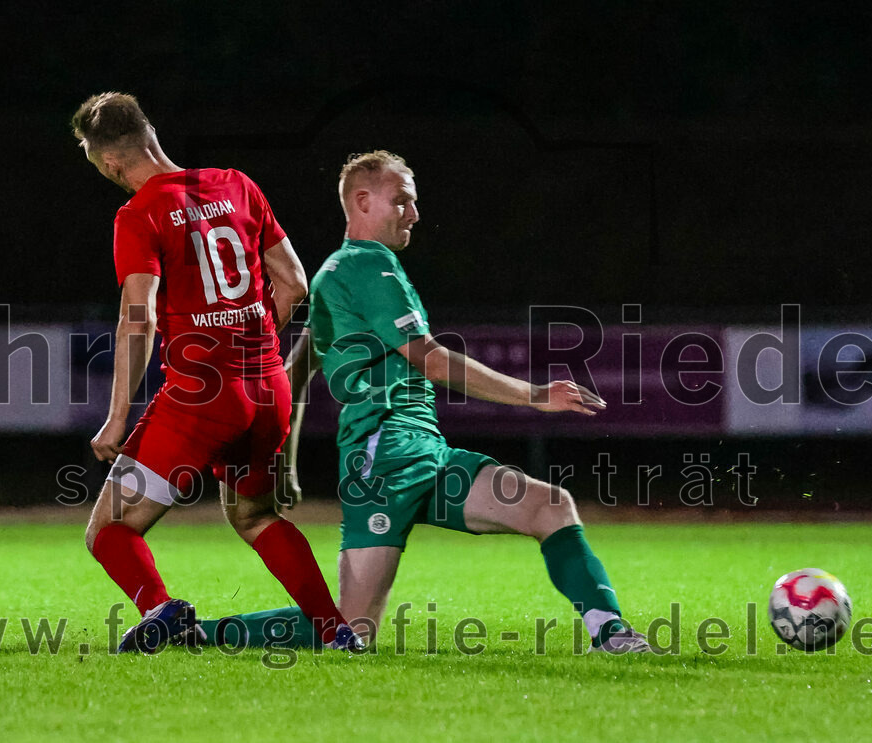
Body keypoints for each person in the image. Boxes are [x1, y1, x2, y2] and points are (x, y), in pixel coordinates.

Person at [202, 150, 652, 654]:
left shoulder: (341, 273)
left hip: (423, 453)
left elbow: (294, 375)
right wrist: (535, 395)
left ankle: (610, 634)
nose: (414, 214)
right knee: (350, 630)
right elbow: (431, 360)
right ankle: (195, 631)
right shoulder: (365, 265)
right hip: (383, 460)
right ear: (362, 200)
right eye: (403, 201)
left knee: (549, 506)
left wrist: (281, 462)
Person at [72, 92, 359, 652]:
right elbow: (295, 283)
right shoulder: (237, 184)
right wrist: (248, 346)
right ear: (150, 135)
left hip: (201, 397)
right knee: (255, 516)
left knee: (109, 529)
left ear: (109, 162)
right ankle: (336, 630)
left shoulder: (139, 214)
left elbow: (139, 317)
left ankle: (162, 610)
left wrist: (114, 418)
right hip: (268, 387)